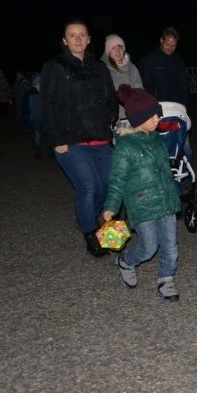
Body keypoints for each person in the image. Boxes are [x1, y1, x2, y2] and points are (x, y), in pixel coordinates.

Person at [41, 20, 118, 257]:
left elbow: (111, 100)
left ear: (88, 39)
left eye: (82, 35)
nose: (77, 39)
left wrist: (108, 117)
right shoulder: (55, 67)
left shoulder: (100, 68)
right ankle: (90, 233)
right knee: (88, 186)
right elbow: (48, 105)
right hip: (70, 140)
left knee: (108, 186)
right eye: (72, 35)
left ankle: (84, 216)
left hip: (100, 138)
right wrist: (56, 138)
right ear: (64, 40)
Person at [103, 85, 182, 303]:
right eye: (153, 115)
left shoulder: (158, 139)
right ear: (139, 118)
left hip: (165, 201)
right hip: (142, 204)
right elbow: (117, 179)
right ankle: (126, 261)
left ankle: (166, 280)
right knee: (148, 247)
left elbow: (165, 172)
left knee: (171, 246)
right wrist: (111, 206)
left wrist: (175, 193)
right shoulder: (125, 147)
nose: (158, 118)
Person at [139, 27, 193, 165]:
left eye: (173, 45)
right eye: (167, 44)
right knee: (160, 145)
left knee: (185, 146)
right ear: (161, 40)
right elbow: (145, 86)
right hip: (159, 111)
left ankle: (190, 180)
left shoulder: (179, 60)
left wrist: (185, 104)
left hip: (179, 110)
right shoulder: (148, 61)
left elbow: (184, 84)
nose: (170, 48)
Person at [100, 34, 143, 120]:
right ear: (108, 51)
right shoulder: (101, 68)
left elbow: (140, 91)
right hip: (112, 119)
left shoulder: (132, 67)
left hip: (132, 116)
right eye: (113, 48)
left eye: (120, 47)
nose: (118, 50)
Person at [23, 74, 51, 159]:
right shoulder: (29, 93)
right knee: (37, 137)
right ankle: (37, 152)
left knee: (49, 136)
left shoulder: (46, 92)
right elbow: (25, 106)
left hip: (46, 118)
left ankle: (51, 153)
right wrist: (27, 116)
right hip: (36, 118)